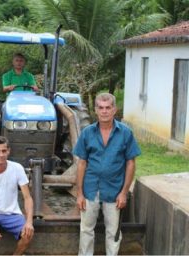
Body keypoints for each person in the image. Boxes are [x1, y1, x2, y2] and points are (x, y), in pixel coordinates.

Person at [73, 93, 141, 255]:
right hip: (90, 189)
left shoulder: (125, 133)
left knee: (113, 231)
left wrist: (124, 193)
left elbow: (131, 163)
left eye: (108, 108)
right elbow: (81, 163)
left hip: (114, 190)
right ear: (95, 110)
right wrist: (80, 193)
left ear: (114, 110)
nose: (104, 111)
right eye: (101, 108)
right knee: (86, 230)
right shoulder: (88, 133)